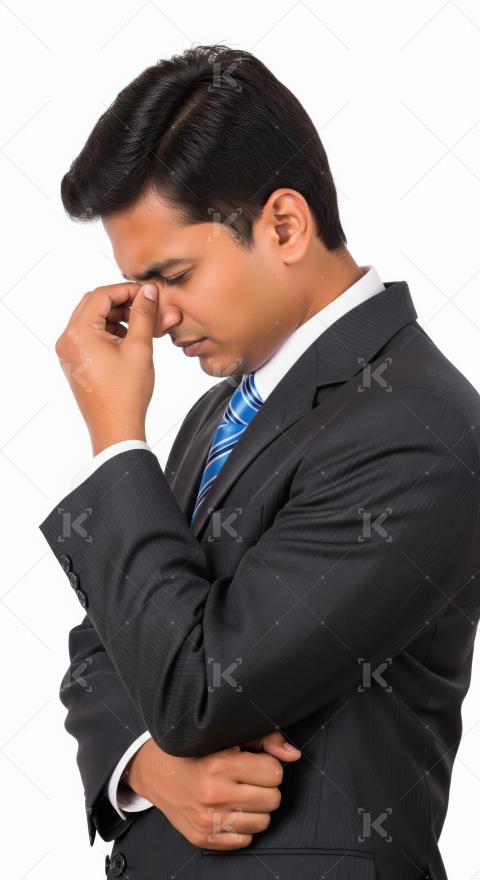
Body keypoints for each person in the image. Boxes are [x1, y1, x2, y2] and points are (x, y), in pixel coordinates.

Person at [39, 43, 480, 880]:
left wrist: (116, 437)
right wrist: (148, 766)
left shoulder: (421, 428)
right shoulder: (218, 414)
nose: (156, 319)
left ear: (284, 225)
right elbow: (108, 637)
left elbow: (199, 691)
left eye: (173, 275)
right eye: (140, 287)